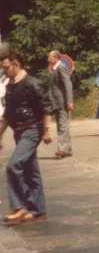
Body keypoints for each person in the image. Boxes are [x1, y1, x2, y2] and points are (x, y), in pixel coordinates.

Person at [0, 53, 55, 224]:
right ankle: (39, 211)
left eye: (5, 67)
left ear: (16, 64)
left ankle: (20, 207)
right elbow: (7, 114)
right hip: (19, 131)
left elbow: (47, 107)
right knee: (31, 170)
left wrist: (46, 130)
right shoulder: (10, 86)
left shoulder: (32, 83)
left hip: (33, 129)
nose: (4, 71)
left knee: (13, 165)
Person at [47, 51, 74, 158]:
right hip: (57, 102)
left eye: (50, 57)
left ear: (56, 58)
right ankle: (67, 150)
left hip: (62, 102)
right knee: (62, 125)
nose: (48, 59)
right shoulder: (55, 69)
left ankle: (62, 149)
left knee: (62, 125)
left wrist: (69, 101)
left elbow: (68, 84)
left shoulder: (61, 67)